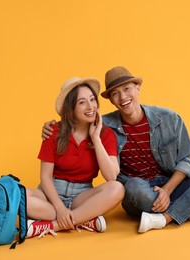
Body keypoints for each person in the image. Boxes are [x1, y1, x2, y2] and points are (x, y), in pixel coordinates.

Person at [42, 66, 190, 233]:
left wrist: (168, 190)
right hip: (139, 192)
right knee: (133, 187)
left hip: (171, 185)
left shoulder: (169, 118)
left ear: (137, 88)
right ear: (111, 101)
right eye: (115, 93)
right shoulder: (102, 125)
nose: (123, 97)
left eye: (127, 89)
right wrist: (50, 126)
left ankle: (166, 218)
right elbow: (76, 123)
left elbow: (188, 158)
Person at [26, 77, 125, 239]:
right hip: (50, 196)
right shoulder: (53, 131)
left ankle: (53, 225)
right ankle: (84, 219)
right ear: (70, 108)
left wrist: (96, 138)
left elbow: (111, 176)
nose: (90, 106)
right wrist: (60, 208)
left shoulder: (106, 134)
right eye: (82, 102)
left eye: (92, 100)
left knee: (117, 188)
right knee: (18, 196)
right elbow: (45, 177)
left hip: (81, 196)